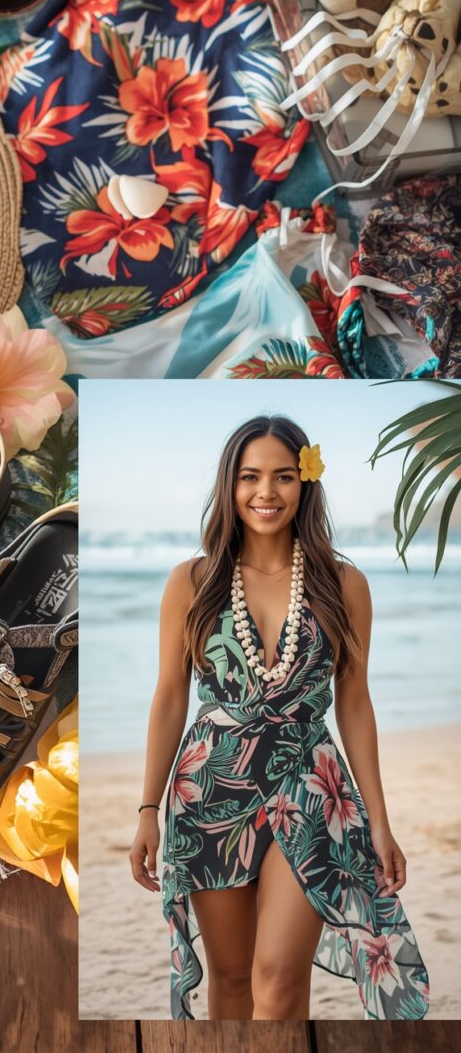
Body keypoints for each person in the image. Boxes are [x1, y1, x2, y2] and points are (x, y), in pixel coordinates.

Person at [129, 414, 429, 1021]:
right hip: (210, 789)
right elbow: (169, 698)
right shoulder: (192, 581)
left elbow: (354, 702)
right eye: (250, 477)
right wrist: (146, 810)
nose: (266, 492)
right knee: (232, 976)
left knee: (280, 977)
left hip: (310, 786)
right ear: (230, 485)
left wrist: (379, 821)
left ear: (305, 483)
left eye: (284, 476)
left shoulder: (344, 583)